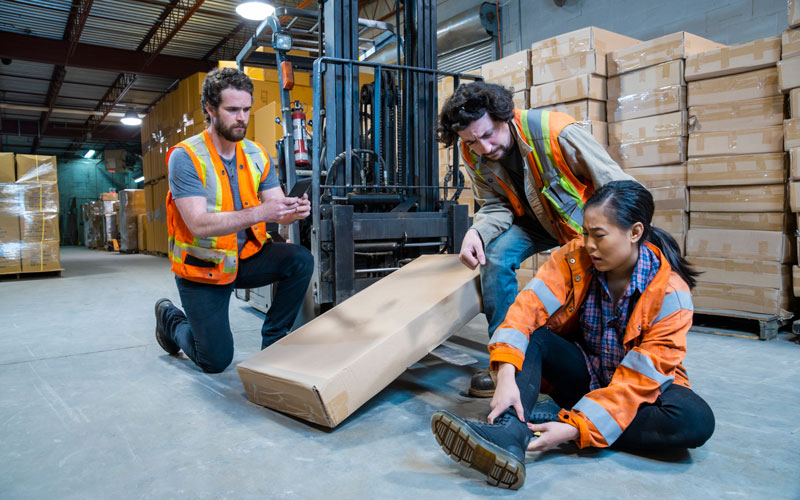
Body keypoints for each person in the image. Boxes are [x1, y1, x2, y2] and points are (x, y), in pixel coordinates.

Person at [430, 181, 715, 490]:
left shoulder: (672, 295)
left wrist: (576, 428)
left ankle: (556, 419)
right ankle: (509, 433)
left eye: (599, 235)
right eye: (586, 233)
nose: (589, 245)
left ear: (634, 233)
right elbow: (525, 312)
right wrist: (506, 374)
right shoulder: (573, 259)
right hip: (584, 374)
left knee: (694, 420)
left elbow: (638, 384)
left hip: (640, 393)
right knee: (535, 336)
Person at [437, 81, 635, 397]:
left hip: (579, 225)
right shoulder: (471, 151)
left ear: (505, 115)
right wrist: (476, 232)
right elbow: (494, 204)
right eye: (473, 141)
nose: (484, 148)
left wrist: (614, 240)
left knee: (593, 285)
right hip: (530, 223)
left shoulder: (558, 133)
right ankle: (504, 363)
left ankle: (600, 361)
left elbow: (617, 187)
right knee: (496, 256)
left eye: (488, 135)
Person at [153, 67, 314, 373]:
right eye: (232, 110)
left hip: (246, 258)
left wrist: (292, 212)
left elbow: (275, 206)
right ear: (209, 110)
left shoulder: (256, 153)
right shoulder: (185, 157)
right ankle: (170, 320)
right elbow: (198, 224)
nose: (242, 117)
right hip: (203, 268)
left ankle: (274, 342)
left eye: (246, 109)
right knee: (215, 361)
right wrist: (264, 213)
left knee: (301, 260)